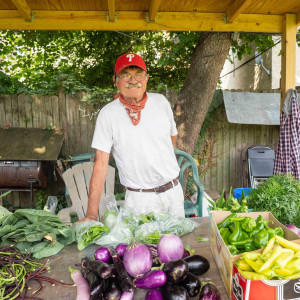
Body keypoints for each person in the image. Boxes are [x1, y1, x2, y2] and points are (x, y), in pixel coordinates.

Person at [77, 52, 184, 223]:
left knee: (179, 247)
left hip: (173, 193)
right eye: (125, 75)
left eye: (138, 75)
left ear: (147, 78)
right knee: (141, 249)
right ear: (116, 80)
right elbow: (101, 165)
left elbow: (172, 138)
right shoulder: (108, 114)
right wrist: (91, 214)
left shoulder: (161, 102)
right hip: (139, 200)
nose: (133, 80)